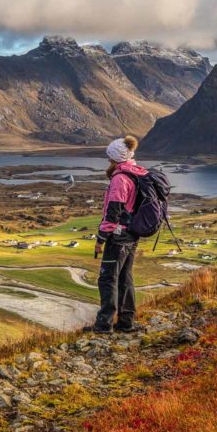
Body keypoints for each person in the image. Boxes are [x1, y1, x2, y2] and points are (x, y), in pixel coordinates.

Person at [84, 135, 146, 334]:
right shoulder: (136, 173)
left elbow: (113, 213)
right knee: (125, 277)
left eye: (109, 156)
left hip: (118, 236)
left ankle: (104, 324)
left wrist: (101, 238)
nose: (108, 160)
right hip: (132, 234)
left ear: (115, 157)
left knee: (108, 278)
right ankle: (126, 322)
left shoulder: (120, 179)